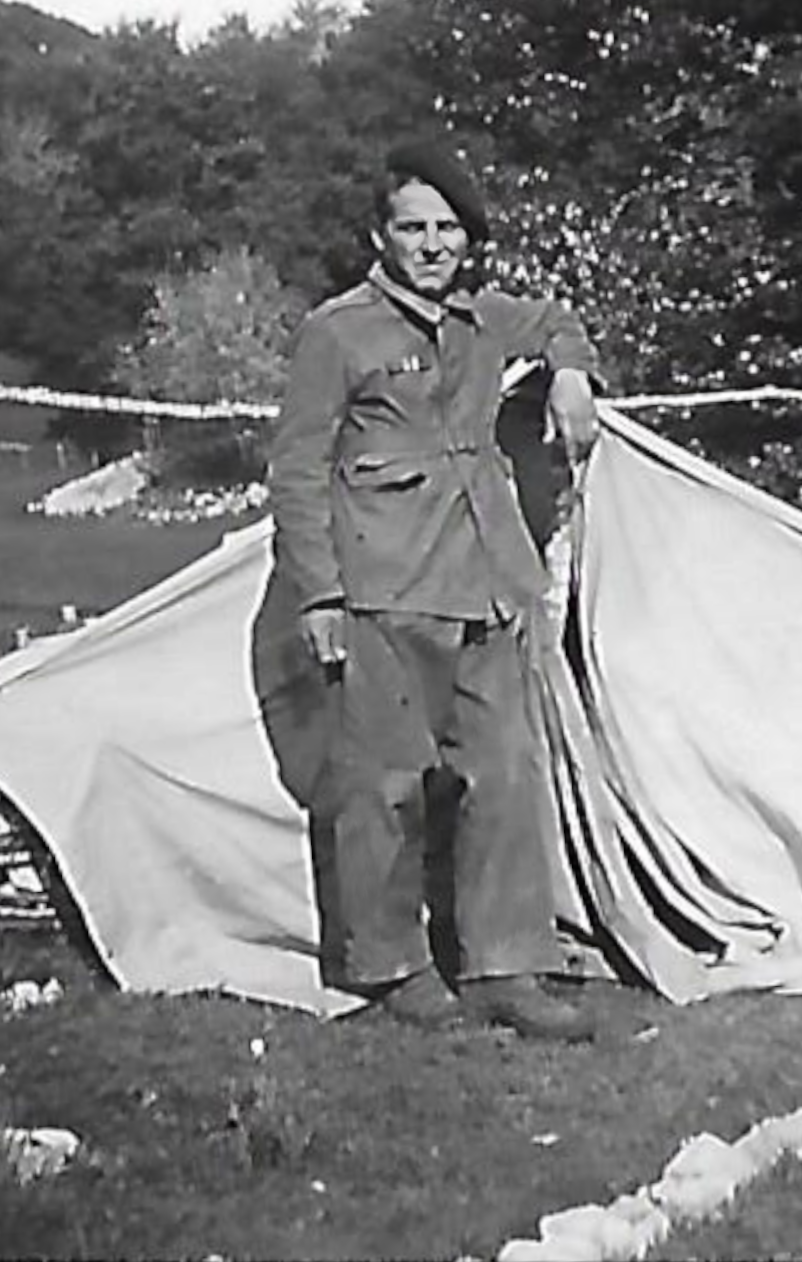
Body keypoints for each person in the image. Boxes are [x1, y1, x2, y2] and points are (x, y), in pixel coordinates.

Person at [264, 140, 600, 1038]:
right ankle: (390, 973)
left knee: (506, 775)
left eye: (448, 228)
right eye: (412, 227)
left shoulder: (486, 321)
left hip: (489, 581)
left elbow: (558, 319)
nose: (432, 244)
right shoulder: (337, 333)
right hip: (383, 586)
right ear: (379, 235)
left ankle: (505, 968)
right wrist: (321, 598)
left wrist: (572, 375)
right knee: (384, 786)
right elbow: (296, 472)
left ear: (469, 241)